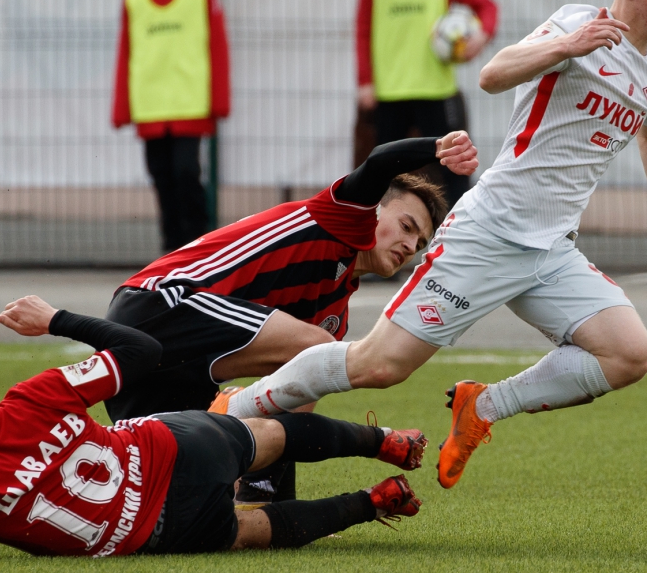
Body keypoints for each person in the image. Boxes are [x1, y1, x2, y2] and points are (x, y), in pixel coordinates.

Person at [220, 0, 647, 490]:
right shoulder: (578, 24)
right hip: (489, 233)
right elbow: (493, 74)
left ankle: (483, 407)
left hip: (551, 250)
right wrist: (566, 47)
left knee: (629, 354)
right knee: (379, 365)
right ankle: (235, 407)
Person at [0, 296, 425, 561]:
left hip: (164, 530)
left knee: (249, 531)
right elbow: (141, 349)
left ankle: (375, 503)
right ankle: (386, 444)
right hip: (176, 448)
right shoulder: (32, 398)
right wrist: (57, 319)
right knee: (268, 434)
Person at [103, 132, 474, 506]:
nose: (410, 247)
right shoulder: (343, 217)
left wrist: (277, 505)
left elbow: (291, 407)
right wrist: (438, 147)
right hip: (156, 306)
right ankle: (233, 417)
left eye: (420, 244)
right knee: (319, 355)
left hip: (167, 372)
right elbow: (380, 160)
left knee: (183, 494)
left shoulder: (334, 313)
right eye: (407, 227)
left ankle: (258, 495)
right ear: (373, 209)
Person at [354, 0, 499, 208]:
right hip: (390, 92)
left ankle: (460, 231)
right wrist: (365, 81)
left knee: (454, 169)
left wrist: (481, 36)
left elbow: (486, 6)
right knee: (384, 174)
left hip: (436, 89)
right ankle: (381, 234)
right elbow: (363, 28)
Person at [112, 0, 230, 253]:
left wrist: (219, 100)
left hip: (189, 104)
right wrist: (122, 109)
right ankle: (172, 251)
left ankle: (199, 245)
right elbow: (125, 52)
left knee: (186, 174)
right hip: (150, 107)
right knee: (161, 179)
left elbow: (217, 45)